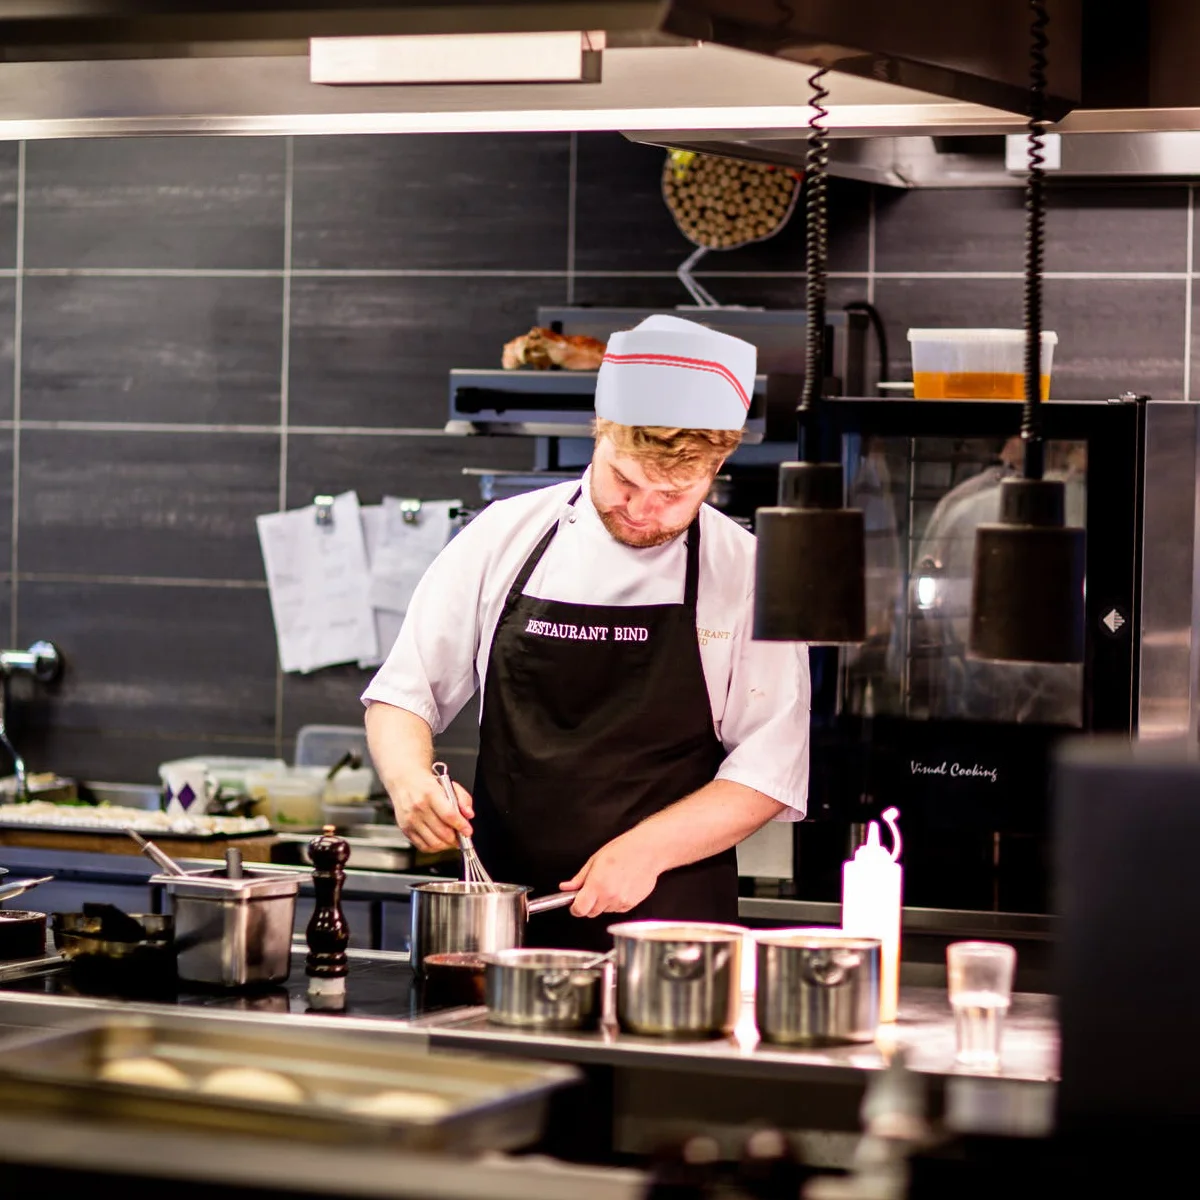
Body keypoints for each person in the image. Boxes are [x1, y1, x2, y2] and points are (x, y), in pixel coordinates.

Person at [363, 314, 811, 950]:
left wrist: (647, 851)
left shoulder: (745, 573)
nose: (641, 509)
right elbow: (403, 694)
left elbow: (770, 771)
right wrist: (409, 780)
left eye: (673, 494)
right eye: (625, 480)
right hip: (504, 919)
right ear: (598, 433)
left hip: (671, 932)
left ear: (716, 469)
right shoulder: (503, 536)